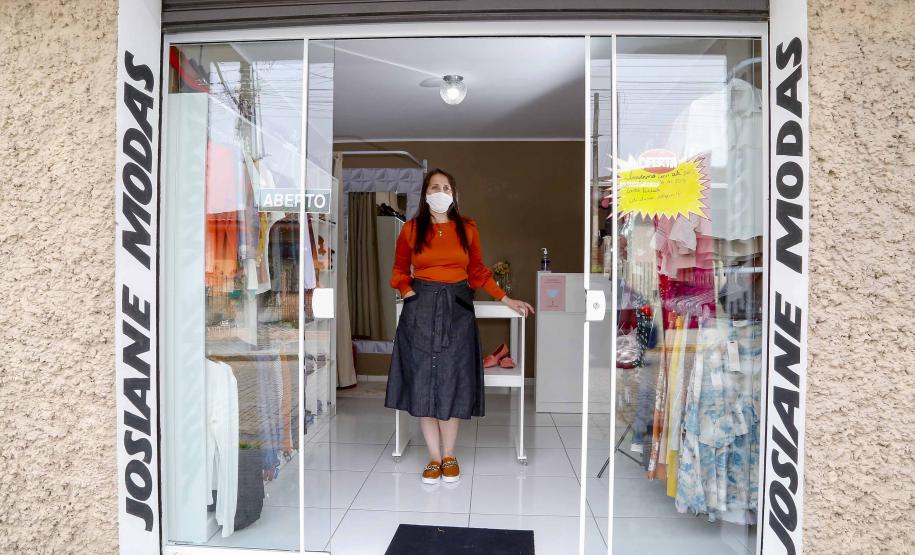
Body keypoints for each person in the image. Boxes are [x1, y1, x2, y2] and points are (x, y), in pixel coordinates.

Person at [385, 168, 534, 484]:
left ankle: (450, 455)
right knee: (424, 381)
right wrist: (409, 294)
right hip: (420, 309)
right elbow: (398, 271)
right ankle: (434, 458)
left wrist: (505, 299)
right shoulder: (411, 230)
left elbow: (478, 272)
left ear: (454, 194)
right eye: (434, 186)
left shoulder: (468, 229)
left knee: (451, 379)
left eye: (446, 187)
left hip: (457, 309)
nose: (440, 191)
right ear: (425, 193)